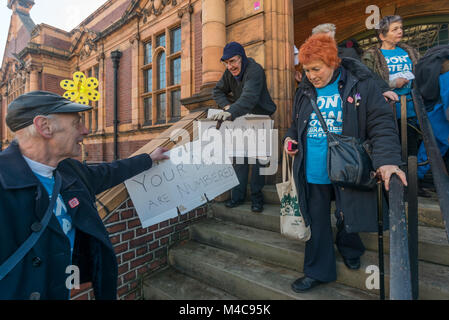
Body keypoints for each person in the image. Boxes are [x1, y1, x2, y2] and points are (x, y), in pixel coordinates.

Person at [0, 91, 169, 300]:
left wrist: (148, 159)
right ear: (44, 127)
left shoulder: (69, 170)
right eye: (76, 124)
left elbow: (109, 172)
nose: (86, 130)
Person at [284, 34, 407, 292]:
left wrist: (387, 162)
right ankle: (317, 270)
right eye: (306, 70)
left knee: (347, 212)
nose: (311, 75)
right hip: (313, 168)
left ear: (332, 62)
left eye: (316, 69)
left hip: (348, 165)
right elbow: (296, 124)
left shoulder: (361, 84)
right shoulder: (304, 91)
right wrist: (290, 138)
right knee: (316, 220)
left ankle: (351, 248)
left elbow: (381, 124)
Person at [211, 41, 277, 213]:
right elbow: (217, 91)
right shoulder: (228, 73)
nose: (230, 66)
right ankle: (237, 197)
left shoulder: (255, 70)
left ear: (242, 57)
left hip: (260, 118)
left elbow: (249, 97)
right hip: (240, 117)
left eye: (233, 61)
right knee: (239, 159)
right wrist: (226, 107)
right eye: (226, 62)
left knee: (258, 161)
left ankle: (257, 199)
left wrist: (230, 112)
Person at [362, 15, 421, 157]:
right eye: (394, 29)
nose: (400, 31)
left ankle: (412, 177)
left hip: (411, 109)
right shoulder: (372, 56)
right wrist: (392, 84)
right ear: (382, 35)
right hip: (388, 111)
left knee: (411, 150)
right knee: (392, 150)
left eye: (400, 28)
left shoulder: (409, 51)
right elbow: (367, 81)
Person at [312, 23, 399, 102]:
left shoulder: (347, 54)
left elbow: (363, 72)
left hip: (347, 100)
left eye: (331, 39)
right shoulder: (310, 61)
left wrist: (383, 89)